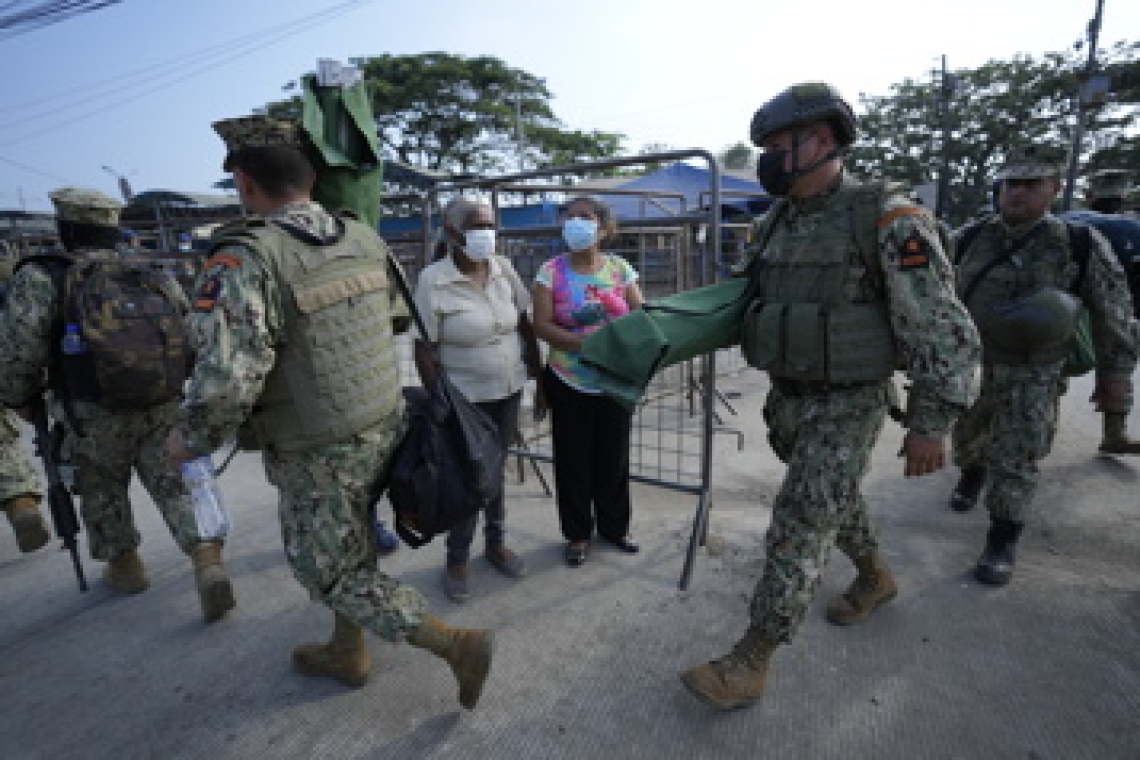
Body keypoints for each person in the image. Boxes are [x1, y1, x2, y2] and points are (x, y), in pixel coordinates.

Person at [163, 115, 492, 708]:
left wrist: (192, 439)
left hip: (318, 448)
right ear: (310, 175)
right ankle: (348, 652)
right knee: (354, 541)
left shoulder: (243, 260)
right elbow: (390, 319)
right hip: (381, 422)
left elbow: (225, 380)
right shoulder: (361, 236)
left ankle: (454, 645)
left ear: (243, 181)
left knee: (332, 572)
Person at [679, 82, 981, 711]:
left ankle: (751, 657)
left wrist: (932, 421)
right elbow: (741, 299)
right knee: (830, 499)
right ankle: (874, 575)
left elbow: (940, 326)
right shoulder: (773, 224)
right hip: (788, 398)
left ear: (820, 142)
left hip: (849, 400)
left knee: (799, 522)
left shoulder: (888, 218)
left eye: (776, 146)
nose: (765, 159)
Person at [0, 188, 235, 621]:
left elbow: (19, 350)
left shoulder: (43, 277)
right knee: (175, 482)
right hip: (161, 400)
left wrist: (19, 398)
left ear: (66, 228)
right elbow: (191, 332)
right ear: (113, 229)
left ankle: (125, 566)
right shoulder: (150, 272)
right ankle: (206, 559)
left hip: (90, 410)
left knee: (101, 487)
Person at [948, 143, 1138, 583]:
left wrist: (1116, 381)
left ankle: (1001, 540)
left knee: (1019, 454)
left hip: (1035, 371)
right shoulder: (971, 238)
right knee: (969, 436)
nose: (1017, 193)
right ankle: (971, 472)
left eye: (1031, 184)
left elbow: (1115, 314)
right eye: (1012, 183)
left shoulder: (1078, 244)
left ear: (1055, 189)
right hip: (975, 366)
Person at [413, 196, 539, 602]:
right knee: (470, 476)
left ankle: (496, 543)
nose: (486, 234)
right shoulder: (434, 280)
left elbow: (524, 323)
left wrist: (540, 378)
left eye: (489, 225)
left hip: (507, 391)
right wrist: (439, 400)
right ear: (452, 233)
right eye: (476, 225)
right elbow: (424, 347)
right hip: (464, 400)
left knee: (497, 469)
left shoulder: (503, 269)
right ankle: (457, 558)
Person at [532, 196, 644, 567]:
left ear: (604, 228)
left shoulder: (620, 269)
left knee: (614, 459)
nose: (574, 222)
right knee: (573, 461)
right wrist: (590, 342)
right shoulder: (551, 271)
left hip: (614, 381)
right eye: (570, 216)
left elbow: (640, 314)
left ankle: (615, 528)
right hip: (569, 380)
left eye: (585, 216)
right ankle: (577, 535)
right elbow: (542, 325)